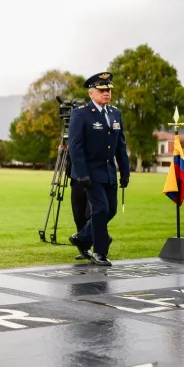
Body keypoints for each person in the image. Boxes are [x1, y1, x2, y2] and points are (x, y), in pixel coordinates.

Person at [67, 72, 130, 266]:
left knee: (110, 210)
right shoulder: (81, 113)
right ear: (91, 93)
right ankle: (100, 252)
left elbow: (120, 145)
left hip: (109, 172)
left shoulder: (115, 113)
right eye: (102, 90)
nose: (106, 93)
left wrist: (125, 172)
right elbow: (75, 146)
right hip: (90, 172)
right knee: (100, 209)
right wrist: (81, 174)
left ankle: (83, 237)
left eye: (108, 90)